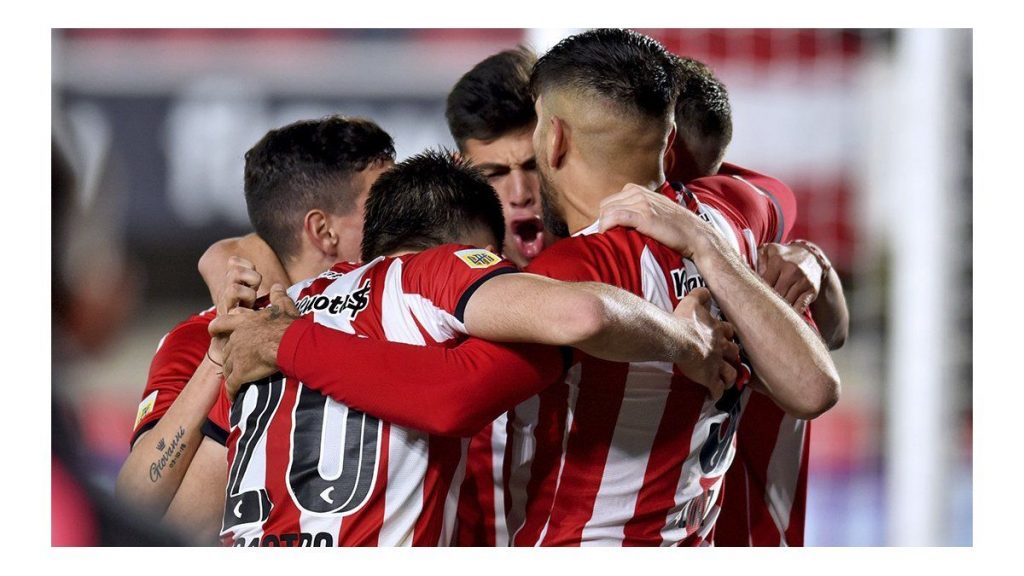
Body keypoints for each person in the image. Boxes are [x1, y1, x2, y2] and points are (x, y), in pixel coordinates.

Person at [213, 28, 839, 547]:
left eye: (530, 155)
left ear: (553, 139)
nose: (518, 191)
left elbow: (456, 393)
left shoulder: (561, 277)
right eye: (494, 172)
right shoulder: (732, 215)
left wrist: (284, 340)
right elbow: (776, 216)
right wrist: (809, 263)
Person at [188, 150, 737, 546]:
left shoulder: (268, 320)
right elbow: (582, 314)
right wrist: (686, 340)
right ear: (478, 251)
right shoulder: (436, 272)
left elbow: (186, 517)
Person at [598, 54, 849, 546]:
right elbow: (834, 331)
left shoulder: (741, 259)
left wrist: (817, 264)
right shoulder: (757, 217)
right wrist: (815, 260)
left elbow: (824, 360)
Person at [114, 116, 396, 541]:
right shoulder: (199, 338)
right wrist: (224, 361)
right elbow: (138, 508)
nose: (403, 211)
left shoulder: (400, 313)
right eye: (383, 203)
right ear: (323, 231)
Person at [444, 45, 547, 546]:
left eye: (534, 165)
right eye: (495, 174)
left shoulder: (618, 261)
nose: (520, 192)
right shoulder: (429, 278)